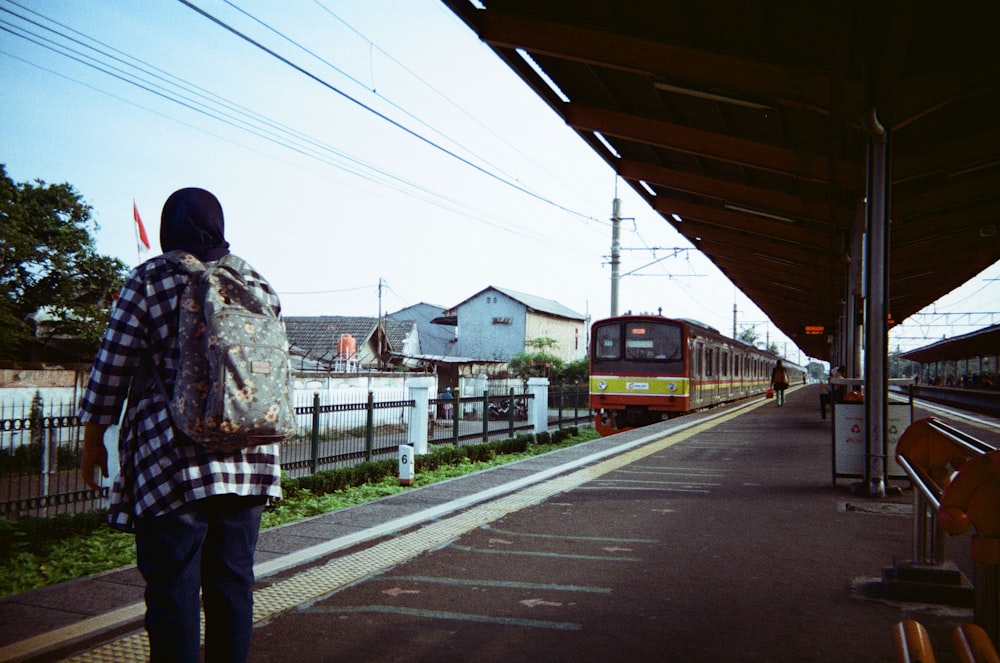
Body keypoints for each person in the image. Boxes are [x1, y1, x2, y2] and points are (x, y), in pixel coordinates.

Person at [78, 188, 283, 663]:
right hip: (249, 460)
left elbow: (112, 369)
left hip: (170, 465)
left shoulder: (149, 279)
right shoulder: (255, 281)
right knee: (233, 585)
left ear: (168, 228)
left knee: (173, 592)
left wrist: (93, 443)